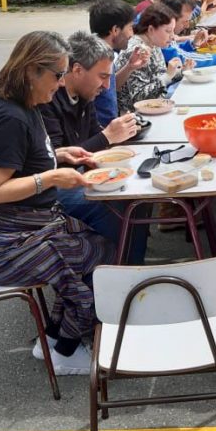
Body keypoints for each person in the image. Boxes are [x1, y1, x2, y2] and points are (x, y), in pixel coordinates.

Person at [0, 31, 112, 376]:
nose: (61, 84)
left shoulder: (25, 107)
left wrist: (59, 154)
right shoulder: (11, 119)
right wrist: (52, 177)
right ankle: (64, 352)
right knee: (93, 255)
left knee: (98, 245)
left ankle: (56, 337)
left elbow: (23, 159)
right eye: (57, 75)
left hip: (22, 226)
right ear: (32, 71)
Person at [38, 31, 147, 261]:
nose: (107, 86)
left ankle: (132, 264)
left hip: (75, 175)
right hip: (51, 189)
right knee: (114, 208)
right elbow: (54, 162)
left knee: (140, 198)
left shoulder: (85, 95)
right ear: (77, 70)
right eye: (103, 76)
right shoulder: (46, 99)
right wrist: (107, 137)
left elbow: (94, 138)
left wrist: (118, 135)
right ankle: (120, 268)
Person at [88, 0, 149, 126]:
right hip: (101, 130)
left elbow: (108, 87)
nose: (132, 34)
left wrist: (129, 67)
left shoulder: (107, 53)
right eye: (130, 28)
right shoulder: (94, 59)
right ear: (115, 30)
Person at [114, 3, 183, 112]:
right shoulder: (137, 51)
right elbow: (139, 99)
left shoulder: (154, 44)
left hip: (157, 106)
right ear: (151, 29)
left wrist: (181, 72)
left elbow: (160, 78)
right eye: (168, 31)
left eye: (173, 31)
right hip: (135, 115)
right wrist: (168, 76)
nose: (172, 36)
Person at [160, 0, 216, 67]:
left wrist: (193, 44)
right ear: (171, 18)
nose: (187, 26)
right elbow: (183, 58)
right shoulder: (161, 39)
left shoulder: (166, 35)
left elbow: (175, 48)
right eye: (185, 21)